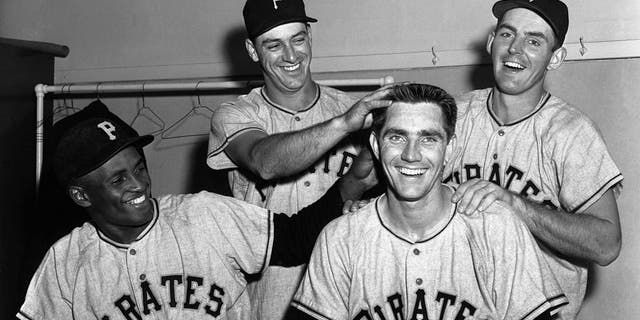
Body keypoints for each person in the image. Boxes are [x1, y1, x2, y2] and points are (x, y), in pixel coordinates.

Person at [16, 100, 375, 320]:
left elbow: (295, 237)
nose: (139, 185)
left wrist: (351, 185)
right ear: (82, 196)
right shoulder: (66, 263)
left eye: (139, 167)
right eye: (118, 180)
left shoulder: (203, 216)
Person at [289, 83, 568, 320]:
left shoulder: (496, 228)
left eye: (428, 139)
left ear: (450, 148)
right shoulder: (340, 239)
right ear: (376, 146)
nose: (411, 154)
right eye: (397, 137)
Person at [207, 0, 392, 318]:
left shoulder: (348, 109)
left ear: (310, 37)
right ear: (253, 50)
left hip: (347, 287)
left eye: (297, 39)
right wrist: (345, 124)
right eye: (274, 45)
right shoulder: (236, 115)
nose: (291, 56)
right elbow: (264, 161)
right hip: (271, 293)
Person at [443, 0, 623, 318]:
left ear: (555, 59)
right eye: (507, 34)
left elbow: (606, 245)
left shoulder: (570, 132)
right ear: (490, 43)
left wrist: (515, 205)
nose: (515, 49)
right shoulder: (452, 115)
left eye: (534, 41)